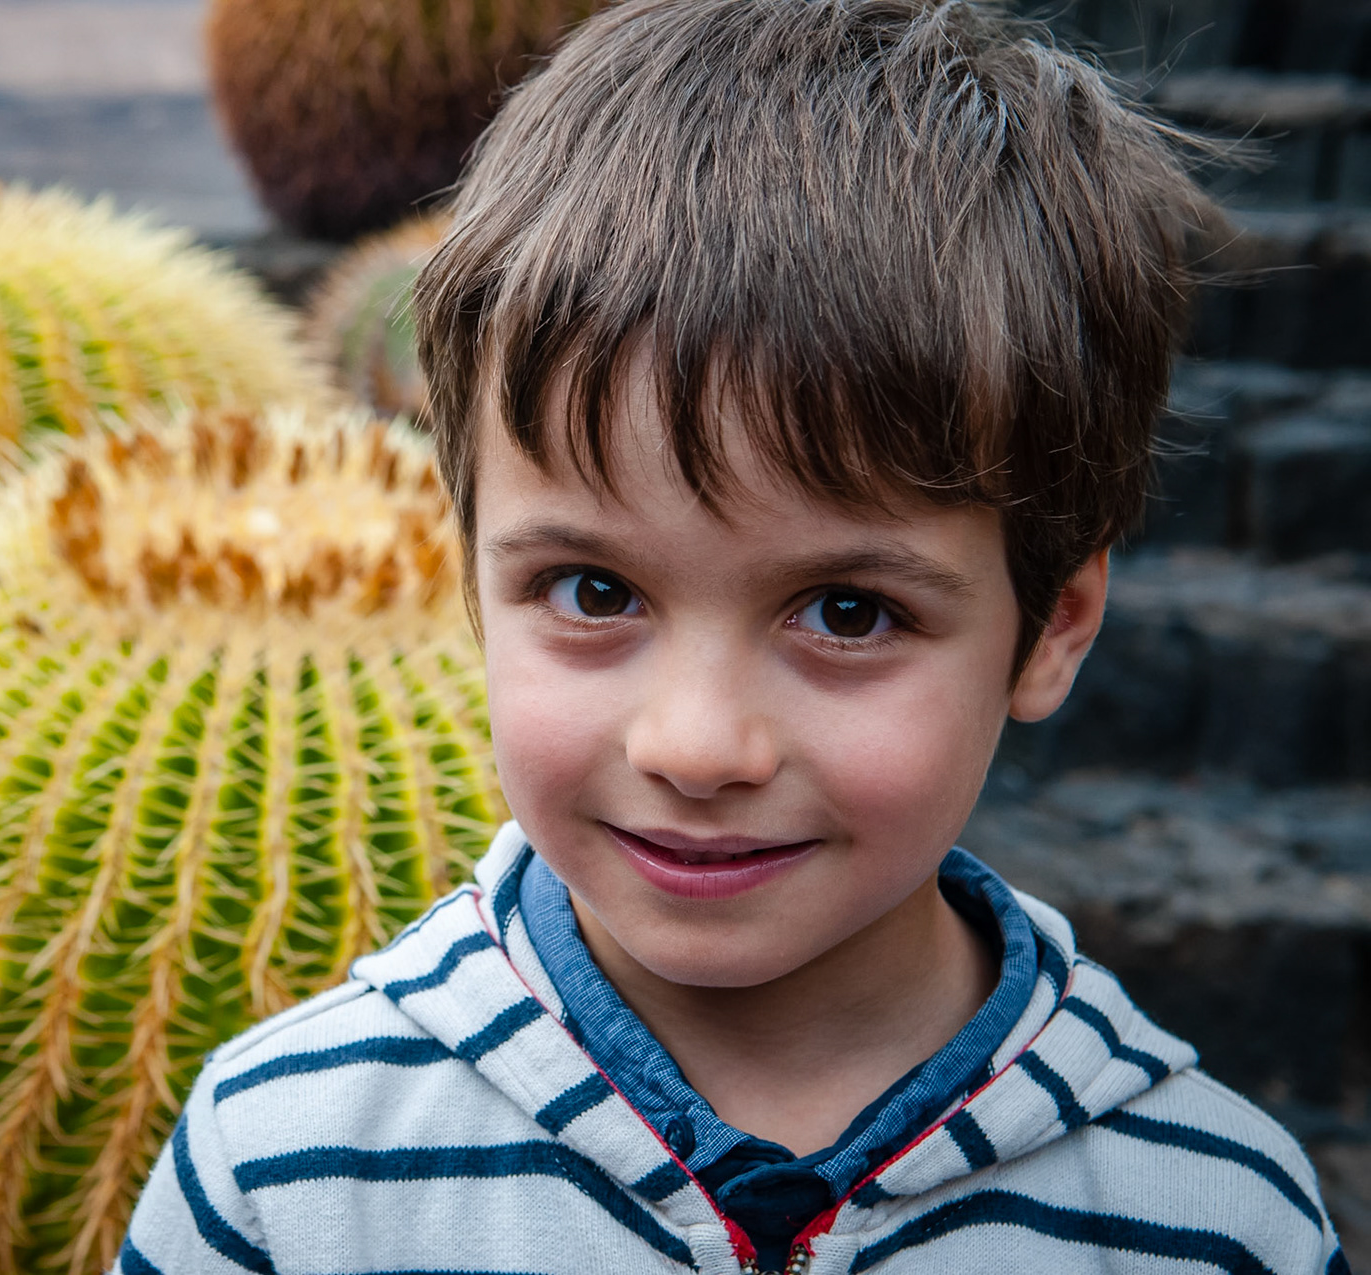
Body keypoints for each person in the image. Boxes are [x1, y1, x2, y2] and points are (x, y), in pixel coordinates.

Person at [115, 1, 1347, 1270]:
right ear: (474, 579)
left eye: (848, 613)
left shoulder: (1215, 1217)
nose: (698, 748)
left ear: (1052, 629)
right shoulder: (284, 1164)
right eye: (594, 592)